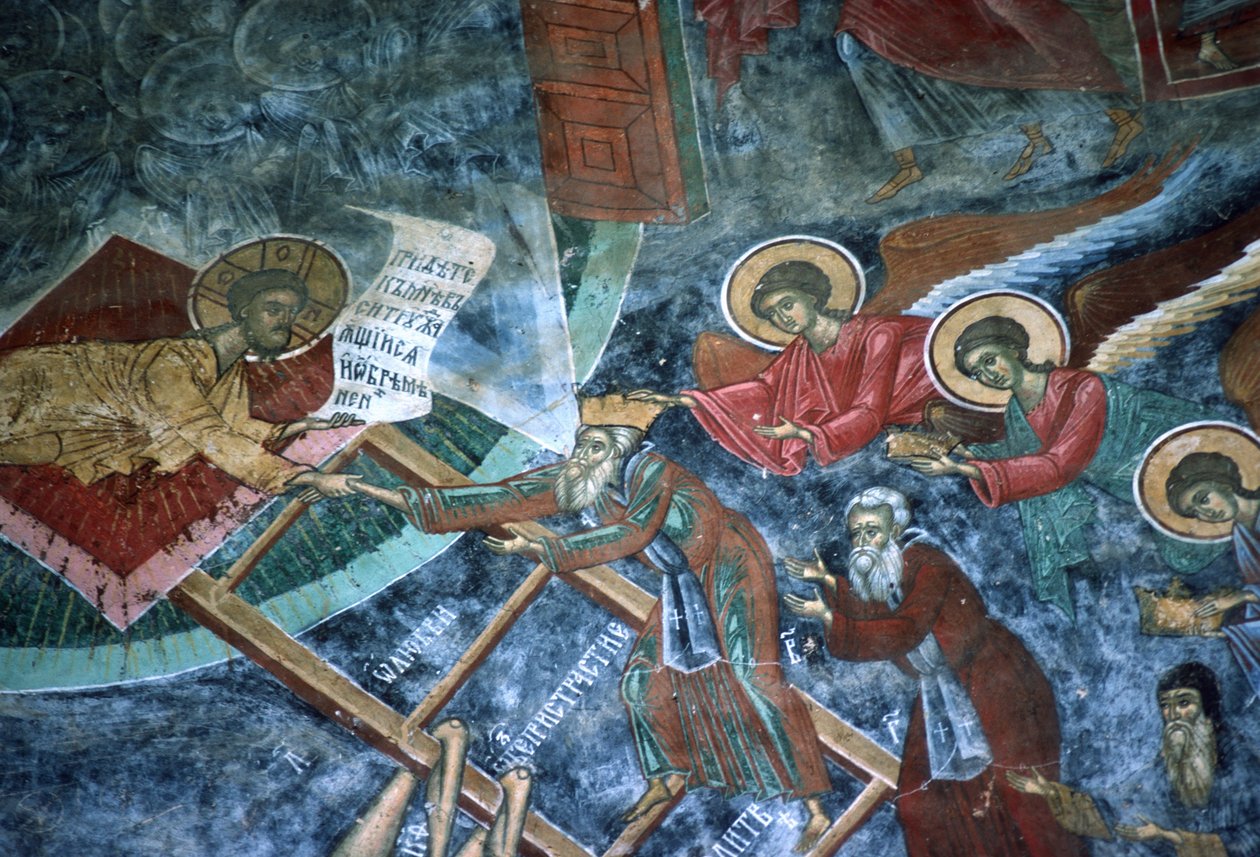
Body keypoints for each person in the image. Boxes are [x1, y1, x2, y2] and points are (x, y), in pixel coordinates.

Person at [346, 394, 834, 851]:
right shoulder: (593, 485)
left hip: (731, 566)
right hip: (683, 581)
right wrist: (365, 489)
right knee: (642, 681)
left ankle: (815, 808)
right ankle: (666, 777)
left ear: (620, 450)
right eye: (581, 446)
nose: (581, 457)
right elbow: (503, 497)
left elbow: (631, 533)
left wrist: (545, 548)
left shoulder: (653, 471)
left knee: (754, 678)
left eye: (594, 447)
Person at [783, 487, 1086, 857]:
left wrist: (831, 618)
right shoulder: (888, 568)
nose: (862, 541)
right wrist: (829, 582)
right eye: (856, 533)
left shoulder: (928, 563)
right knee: (922, 804)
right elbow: (877, 609)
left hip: (993, 681)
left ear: (895, 530)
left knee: (1020, 796)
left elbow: (905, 628)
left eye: (871, 531)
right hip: (941, 688)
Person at [907, 315, 1222, 620]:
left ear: (1014, 349)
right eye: (977, 373)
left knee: (1188, 553)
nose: (989, 375)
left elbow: (1059, 465)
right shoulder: (1016, 410)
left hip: (1179, 465)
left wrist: (964, 470)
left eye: (990, 360)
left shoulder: (1081, 387)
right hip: (1125, 488)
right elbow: (1021, 456)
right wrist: (961, 453)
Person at [0, 267, 360, 498]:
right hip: (33, 389)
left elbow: (230, 423)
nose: (285, 321)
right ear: (244, 310)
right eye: (274, 309)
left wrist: (303, 426)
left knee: (33, 449)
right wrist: (303, 477)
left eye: (292, 314)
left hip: (78, 431)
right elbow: (208, 434)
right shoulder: (174, 361)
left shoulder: (230, 371)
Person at [630, 260, 938, 476]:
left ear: (812, 297)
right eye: (772, 314)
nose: (783, 318)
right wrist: (686, 400)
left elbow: (870, 409)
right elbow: (765, 390)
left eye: (787, 304)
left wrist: (807, 433)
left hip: (927, 417)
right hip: (864, 442)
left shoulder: (878, 334)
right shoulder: (798, 355)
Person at [1007, 661, 1260, 855]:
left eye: (1184, 702)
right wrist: (1053, 793)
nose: (1173, 714)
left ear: (1209, 710)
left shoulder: (1241, 763)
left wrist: (1172, 837)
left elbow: (1253, 840)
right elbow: (1121, 809)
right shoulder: (1169, 764)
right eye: (1166, 705)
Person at [1166, 451, 1260, 699]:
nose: (1206, 513)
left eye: (1204, 499)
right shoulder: (1241, 533)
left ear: (1222, 483)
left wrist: (1241, 597)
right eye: (1195, 512)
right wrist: (1227, 629)